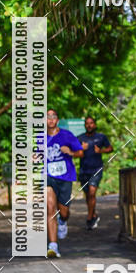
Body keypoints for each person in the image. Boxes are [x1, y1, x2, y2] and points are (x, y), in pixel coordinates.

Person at [44, 109, 83, 258]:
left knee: (64, 211)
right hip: (48, 176)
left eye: (53, 116)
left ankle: (63, 220)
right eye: (48, 117)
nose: (50, 119)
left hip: (65, 177)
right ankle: (53, 246)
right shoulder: (40, 138)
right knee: (50, 208)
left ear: (57, 120)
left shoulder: (67, 135)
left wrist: (71, 152)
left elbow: (80, 152)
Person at [77, 115, 113, 229]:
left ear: (95, 125)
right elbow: (74, 152)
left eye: (91, 123)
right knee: (88, 195)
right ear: (85, 125)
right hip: (84, 170)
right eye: (87, 123)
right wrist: (81, 149)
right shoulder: (80, 138)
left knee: (92, 193)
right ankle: (93, 214)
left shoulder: (101, 137)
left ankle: (89, 218)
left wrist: (101, 151)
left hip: (96, 169)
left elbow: (110, 148)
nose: (89, 125)